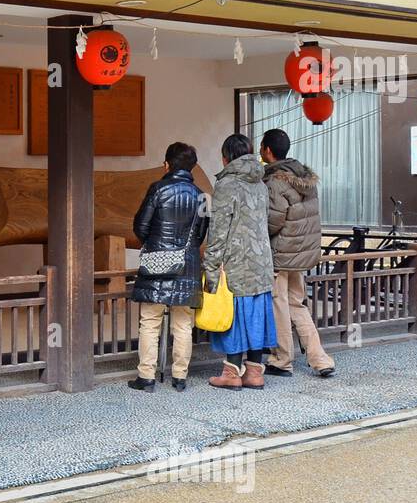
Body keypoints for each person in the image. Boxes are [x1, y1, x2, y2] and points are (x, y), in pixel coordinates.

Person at [128, 142, 208, 393]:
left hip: (156, 265)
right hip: (187, 265)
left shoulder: (158, 189)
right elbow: (201, 234)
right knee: (183, 324)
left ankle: (146, 377)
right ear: (192, 167)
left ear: (167, 164)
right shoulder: (201, 195)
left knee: (150, 322)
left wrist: (154, 245)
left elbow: (140, 225)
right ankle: (180, 377)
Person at [203, 133, 277, 390]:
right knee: (256, 315)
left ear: (226, 157)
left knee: (235, 316)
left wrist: (211, 265)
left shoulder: (227, 185)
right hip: (261, 261)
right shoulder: (261, 183)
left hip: (235, 261)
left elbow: (219, 229)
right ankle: (255, 373)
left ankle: (231, 373)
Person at [260, 128, 336, 378]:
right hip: (302, 255)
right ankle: (320, 358)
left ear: (267, 151)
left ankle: (282, 359)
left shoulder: (275, 182)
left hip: (281, 254)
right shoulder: (305, 180)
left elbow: (273, 221)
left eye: (261, 147)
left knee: (279, 304)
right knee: (296, 303)